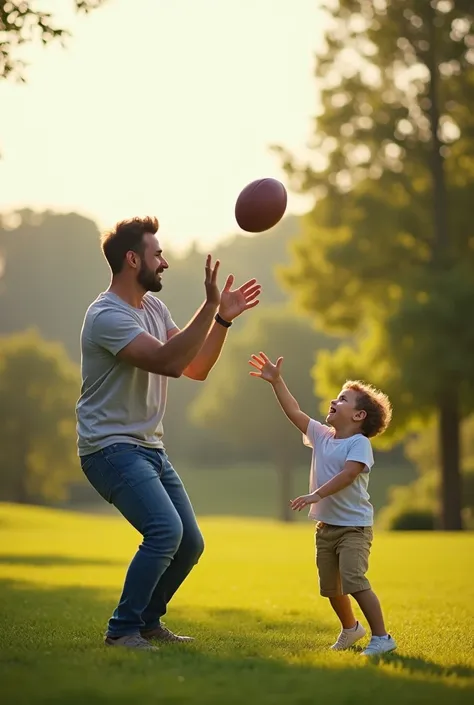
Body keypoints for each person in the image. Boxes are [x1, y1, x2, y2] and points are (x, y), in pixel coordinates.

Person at [76, 216, 261, 651]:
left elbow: (195, 368)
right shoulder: (106, 315)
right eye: (157, 254)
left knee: (189, 544)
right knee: (165, 531)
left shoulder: (155, 309)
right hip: (109, 448)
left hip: (149, 448)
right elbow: (167, 362)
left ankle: (146, 621)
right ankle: (122, 630)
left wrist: (222, 322)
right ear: (132, 258)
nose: (165, 263)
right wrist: (210, 307)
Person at [248, 351, 396, 656]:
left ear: (358, 416)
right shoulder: (322, 435)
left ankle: (382, 638)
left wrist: (317, 494)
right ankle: (351, 628)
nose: (335, 401)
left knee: (354, 580)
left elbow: (349, 474)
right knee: (331, 588)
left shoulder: (359, 444)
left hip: (354, 528)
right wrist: (277, 382)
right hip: (326, 528)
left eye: (343, 399)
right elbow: (295, 412)